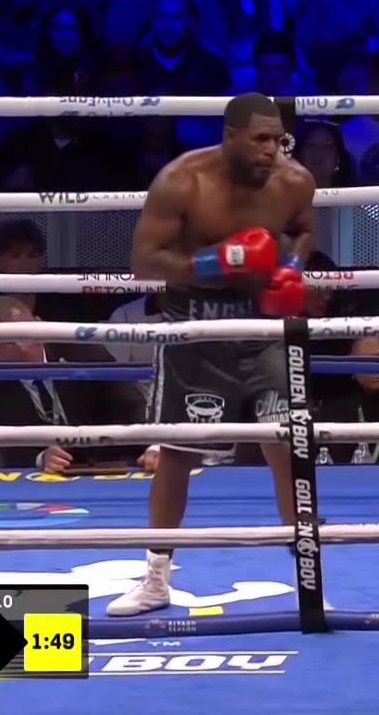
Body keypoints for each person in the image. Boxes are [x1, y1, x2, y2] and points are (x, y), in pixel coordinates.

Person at [107, 92, 317, 617]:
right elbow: (143, 261)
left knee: (287, 447)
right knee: (178, 455)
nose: (271, 150)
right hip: (195, 328)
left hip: (262, 327)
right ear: (230, 137)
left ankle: (308, 582)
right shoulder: (183, 180)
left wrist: (291, 266)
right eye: (261, 139)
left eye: (278, 140)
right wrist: (214, 262)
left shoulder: (295, 182)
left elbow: (302, 230)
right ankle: (156, 580)